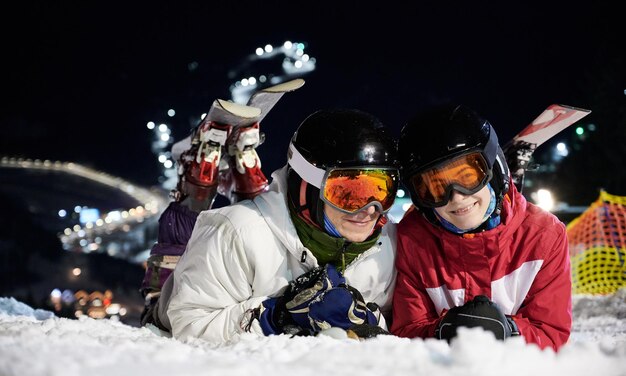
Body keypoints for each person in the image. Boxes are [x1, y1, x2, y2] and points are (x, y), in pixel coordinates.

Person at [153, 108, 399, 342]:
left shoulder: (385, 244)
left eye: (382, 190)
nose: (369, 210)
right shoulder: (233, 231)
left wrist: (367, 321)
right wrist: (275, 318)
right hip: (172, 301)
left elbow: (393, 321)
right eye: (348, 193)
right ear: (308, 187)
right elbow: (187, 323)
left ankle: (246, 177)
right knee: (180, 247)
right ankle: (195, 179)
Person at [390, 104, 572, 351]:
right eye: (434, 187)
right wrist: (442, 331)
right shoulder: (414, 241)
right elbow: (405, 331)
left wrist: (509, 331)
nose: (455, 197)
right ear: (420, 199)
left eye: (467, 177)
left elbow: (551, 331)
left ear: (493, 169)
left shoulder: (544, 237)